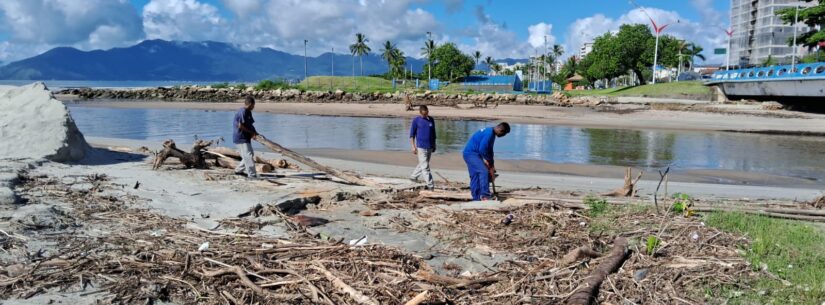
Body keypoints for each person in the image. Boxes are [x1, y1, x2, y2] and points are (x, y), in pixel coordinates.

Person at [462, 122, 510, 201]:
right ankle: (485, 195)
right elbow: (482, 149)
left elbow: (490, 150)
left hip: (473, 154)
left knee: (475, 176)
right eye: (504, 134)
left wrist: (491, 164)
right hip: (471, 154)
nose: (503, 136)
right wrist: (487, 161)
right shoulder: (489, 134)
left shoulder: (491, 133)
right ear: (501, 130)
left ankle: (476, 198)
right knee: (483, 171)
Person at [409, 105, 436, 190]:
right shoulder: (416, 120)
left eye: (426, 113)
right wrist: (413, 146)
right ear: (420, 113)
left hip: (430, 146)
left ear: (428, 111)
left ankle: (413, 176)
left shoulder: (431, 120)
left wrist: (434, 144)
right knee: (425, 167)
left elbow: (434, 134)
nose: (425, 115)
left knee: (423, 163)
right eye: (424, 114)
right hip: (421, 147)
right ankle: (430, 185)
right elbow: (411, 135)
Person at [233, 96, 258, 179]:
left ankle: (238, 170)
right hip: (240, 137)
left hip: (246, 137)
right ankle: (252, 175)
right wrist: (251, 133)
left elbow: (250, 125)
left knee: (249, 155)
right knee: (248, 155)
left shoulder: (248, 112)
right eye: (253, 105)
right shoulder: (242, 111)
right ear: (250, 104)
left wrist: (255, 133)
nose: (254, 107)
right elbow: (241, 126)